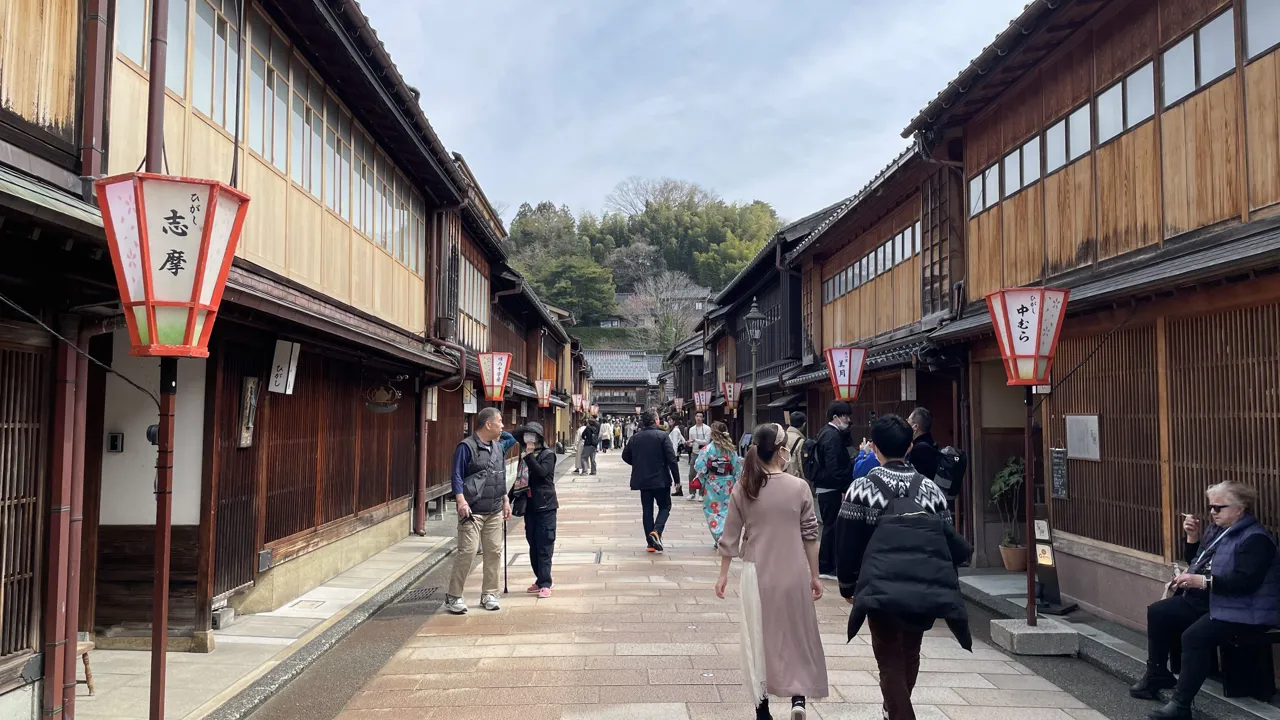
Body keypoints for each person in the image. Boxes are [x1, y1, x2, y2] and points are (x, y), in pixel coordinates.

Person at [836, 414, 970, 720]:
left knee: (888, 657)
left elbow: (847, 542)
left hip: (879, 585)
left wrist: (848, 584)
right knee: (910, 650)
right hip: (923, 585)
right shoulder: (932, 491)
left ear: (874, 448)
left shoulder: (861, 489)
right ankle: (894, 708)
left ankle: (897, 712)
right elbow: (946, 542)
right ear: (910, 446)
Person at [1130, 481, 1280, 720]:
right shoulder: (1217, 531)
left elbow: (1244, 583)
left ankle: (1180, 705)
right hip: (1214, 600)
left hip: (1245, 608)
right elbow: (1199, 561)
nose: (1212, 512)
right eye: (1211, 507)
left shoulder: (1256, 539)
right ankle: (1157, 673)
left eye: (1218, 508)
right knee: (1159, 612)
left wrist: (1202, 582)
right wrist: (1192, 538)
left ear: (1239, 509)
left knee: (1194, 637)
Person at [715, 423, 828, 720]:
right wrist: (814, 575)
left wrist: (723, 574)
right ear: (781, 452)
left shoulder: (744, 487)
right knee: (796, 633)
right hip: (793, 571)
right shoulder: (799, 487)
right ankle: (798, 699)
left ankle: (762, 708)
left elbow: (730, 535)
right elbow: (810, 535)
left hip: (756, 571)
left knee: (758, 637)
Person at [444, 407, 515, 615]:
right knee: (468, 551)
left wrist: (505, 500)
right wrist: (460, 501)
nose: (503, 426)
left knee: (493, 551)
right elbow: (456, 475)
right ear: (488, 424)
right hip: (472, 510)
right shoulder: (466, 447)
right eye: (500, 421)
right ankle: (454, 595)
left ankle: (490, 593)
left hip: (494, 508)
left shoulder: (497, 447)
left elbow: (500, 476)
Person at [507, 421, 557, 598]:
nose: (529, 439)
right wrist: (509, 497)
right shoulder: (525, 456)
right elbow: (520, 479)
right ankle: (539, 579)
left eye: (532, 436)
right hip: (529, 507)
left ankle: (546, 582)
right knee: (532, 543)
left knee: (544, 544)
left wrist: (529, 456)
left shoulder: (547, 455)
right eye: (526, 436)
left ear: (539, 438)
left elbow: (542, 473)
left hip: (545, 506)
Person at [622, 409, 681, 552]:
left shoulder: (636, 437)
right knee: (665, 506)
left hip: (643, 479)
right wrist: (677, 480)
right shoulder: (662, 436)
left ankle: (650, 543)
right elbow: (671, 459)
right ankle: (657, 531)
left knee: (647, 509)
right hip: (661, 479)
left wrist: (638, 463)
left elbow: (625, 456)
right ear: (656, 421)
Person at [812, 401, 854, 580]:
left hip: (825, 486)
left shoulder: (827, 433)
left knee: (830, 526)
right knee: (831, 526)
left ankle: (826, 564)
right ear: (836, 417)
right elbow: (834, 466)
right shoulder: (832, 436)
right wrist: (845, 483)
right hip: (831, 487)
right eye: (845, 416)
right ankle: (826, 565)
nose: (848, 420)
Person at [694, 421, 742, 546]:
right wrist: (737, 482)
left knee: (712, 511)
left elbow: (699, 466)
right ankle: (725, 535)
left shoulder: (707, 449)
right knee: (727, 511)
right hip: (728, 483)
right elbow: (737, 467)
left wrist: (703, 480)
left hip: (712, 483)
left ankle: (718, 536)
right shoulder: (730, 449)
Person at [905, 407, 940, 480]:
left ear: (915, 427)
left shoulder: (919, 449)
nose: (906, 422)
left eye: (908, 420)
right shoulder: (930, 444)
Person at [686, 412, 712, 502]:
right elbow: (691, 442)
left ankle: (701, 493)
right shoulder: (691, 429)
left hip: (704, 453)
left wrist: (695, 440)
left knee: (703, 473)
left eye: (700, 416)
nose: (699, 418)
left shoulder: (707, 429)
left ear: (703, 418)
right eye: (697, 416)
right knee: (691, 473)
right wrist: (689, 443)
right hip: (695, 452)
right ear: (694, 417)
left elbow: (706, 441)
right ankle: (692, 493)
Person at [668, 419, 688, 497]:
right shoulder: (676, 429)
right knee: (675, 472)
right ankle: (678, 488)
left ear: (674, 421)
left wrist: (674, 454)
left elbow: (675, 443)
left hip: (672, 454)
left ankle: (678, 488)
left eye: (670, 420)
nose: (669, 422)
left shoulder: (675, 430)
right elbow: (682, 440)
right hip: (673, 454)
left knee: (674, 472)